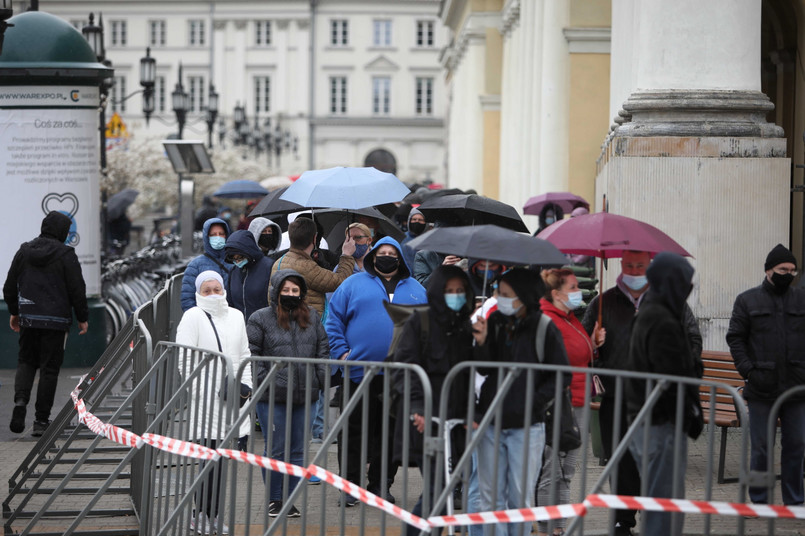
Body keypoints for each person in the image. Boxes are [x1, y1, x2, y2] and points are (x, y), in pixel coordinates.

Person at [582, 250, 701, 536]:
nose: (634, 272)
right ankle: (624, 521)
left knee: (657, 479)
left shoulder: (671, 308)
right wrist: (594, 345)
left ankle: (646, 520)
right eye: (629, 266)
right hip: (628, 401)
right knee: (627, 467)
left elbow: (692, 340)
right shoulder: (606, 302)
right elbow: (582, 347)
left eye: (640, 266)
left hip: (650, 405)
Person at [325, 237, 427, 505]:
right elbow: (333, 320)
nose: (387, 256)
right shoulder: (353, 284)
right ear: (373, 256)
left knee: (390, 433)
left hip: (399, 376)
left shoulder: (416, 289)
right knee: (353, 431)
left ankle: (381, 485)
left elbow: (426, 328)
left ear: (400, 258)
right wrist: (342, 353)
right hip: (358, 373)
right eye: (382, 252)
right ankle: (350, 487)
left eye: (392, 253)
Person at [471, 268, 570, 536]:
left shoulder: (545, 327)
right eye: (499, 293)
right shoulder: (495, 321)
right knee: (490, 497)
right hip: (492, 422)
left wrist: (532, 403)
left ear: (524, 296)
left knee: (519, 498)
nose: (500, 299)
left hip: (526, 427)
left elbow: (561, 375)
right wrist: (481, 342)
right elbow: (484, 368)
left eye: (506, 294)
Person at [391, 265, 476, 534]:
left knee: (445, 489)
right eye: (449, 290)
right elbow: (405, 369)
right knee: (439, 488)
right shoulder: (420, 322)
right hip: (425, 419)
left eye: (460, 290)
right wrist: (418, 408)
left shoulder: (467, 326)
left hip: (457, 421)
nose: (455, 295)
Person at [625, 252, 702, 536]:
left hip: (649, 420)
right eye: (684, 282)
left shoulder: (651, 312)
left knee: (661, 499)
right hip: (661, 423)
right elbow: (673, 376)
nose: (688, 288)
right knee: (664, 503)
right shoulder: (662, 320)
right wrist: (688, 413)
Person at [726, 243, 805, 506]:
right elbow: (736, 338)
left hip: (796, 389)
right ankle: (759, 499)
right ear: (768, 270)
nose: (788, 275)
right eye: (783, 270)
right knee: (760, 448)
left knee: (796, 446)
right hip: (762, 388)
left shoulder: (801, 299)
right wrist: (748, 370)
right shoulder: (747, 300)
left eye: (793, 271)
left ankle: (794, 500)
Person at [175, 271, 252, 535]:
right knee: (208, 462)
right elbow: (185, 359)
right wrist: (200, 392)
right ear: (198, 293)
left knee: (222, 464)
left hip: (232, 400)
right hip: (206, 404)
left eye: (216, 289)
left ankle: (214, 514)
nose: (212, 294)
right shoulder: (193, 316)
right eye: (206, 290)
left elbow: (244, 354)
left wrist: (246, 387)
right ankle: (199, 515)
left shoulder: (236, 316)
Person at [247, 269, 328, 518]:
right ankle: (275, 499)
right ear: (276, 292)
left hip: (306, 394)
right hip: (273, 395)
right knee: (276, 449)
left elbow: (322, 350)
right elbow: (252, 353)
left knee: (299, 450)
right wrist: (265, 381)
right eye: (286, 290)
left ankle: (290, 499)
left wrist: (321, 381)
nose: (290, 294)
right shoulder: (260, 318)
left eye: (295, 290)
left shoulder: (312, 316)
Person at [4, 211, 89, 436]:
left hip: (29, 319)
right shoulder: (66, 254)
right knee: (49, 370)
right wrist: (82, 317)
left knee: (26, 361)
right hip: (56, 322)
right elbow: (77, 288)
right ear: (62, 232)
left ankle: (20, 401)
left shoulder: (24, 251)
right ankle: (41, 421)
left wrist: (15, 312)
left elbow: (9, 287)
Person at [536, 268, 605, 536]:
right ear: (556, 293)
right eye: (573, 287)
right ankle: (546, 529)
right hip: (557, 404)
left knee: (566, 471)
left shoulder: (570, 318)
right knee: (551, 470)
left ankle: (559, 528)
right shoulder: (546, 319)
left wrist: (594, 344)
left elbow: (578, 354)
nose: (579, 292)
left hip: (578, 401)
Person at [270, 217, 355, 315]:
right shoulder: (307, 267)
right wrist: (347, 255)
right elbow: (340, 281)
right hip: (306, 322)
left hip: (283, 320)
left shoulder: (278, 263)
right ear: (314, 238)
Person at [181, 217, 233, 312]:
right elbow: (187, 299)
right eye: (213, 235)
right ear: (206, 237)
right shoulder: (195, 265)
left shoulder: (235, 261)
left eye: (221, 234)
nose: (218, 237)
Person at [222, 230, 274, 322]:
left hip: (264, 325)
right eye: (233, 258)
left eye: (240, 257)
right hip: (240, 326)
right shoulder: (234, 271)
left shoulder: (269, 267)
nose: (237, 261)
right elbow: (229, 303)